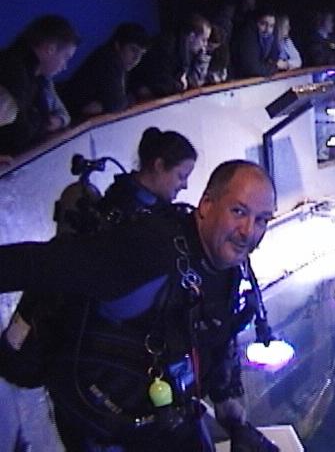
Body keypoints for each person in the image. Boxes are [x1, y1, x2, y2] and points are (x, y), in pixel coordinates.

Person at [0, 160, 277, 451]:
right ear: (206, 204)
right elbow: (45, 264)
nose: (249, 231)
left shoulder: (229, 265)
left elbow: (216, 332)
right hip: (99, 420)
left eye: (262, 220)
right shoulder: (149, 247)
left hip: (163, 415)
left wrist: (232, 413)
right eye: (239, 211)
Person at [0, 15, 78, 155]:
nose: (65, 66)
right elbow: (18, 133)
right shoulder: (13, 71)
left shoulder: (40, 77)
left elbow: (60, 115)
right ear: (50, 49)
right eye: (66, 57)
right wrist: (42, 122)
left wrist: (46, 121)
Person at [62, 23, 150, 118]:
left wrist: (105, 106)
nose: (136, 58)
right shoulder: (107, 60)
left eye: (141, 54)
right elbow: (118, 103)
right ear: (118, 45)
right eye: (133, 50)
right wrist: (127, 99)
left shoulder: (122, 62)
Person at [130, 13, 212, 99]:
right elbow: (159, 82)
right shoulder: (165, 46)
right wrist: (180, 85)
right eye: (203, 40)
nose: (204, 45)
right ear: (192, 36)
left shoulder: (189, 51)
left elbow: (194, 81)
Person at [232, 8, 287, 78]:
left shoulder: (271, 36)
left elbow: (274, 58)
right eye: (263, 24)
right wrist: (275, 66)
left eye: (271, 26)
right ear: (255, 22)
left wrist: (272, 65)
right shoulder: (247, 36)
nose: (267, 30)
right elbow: (253, 68)